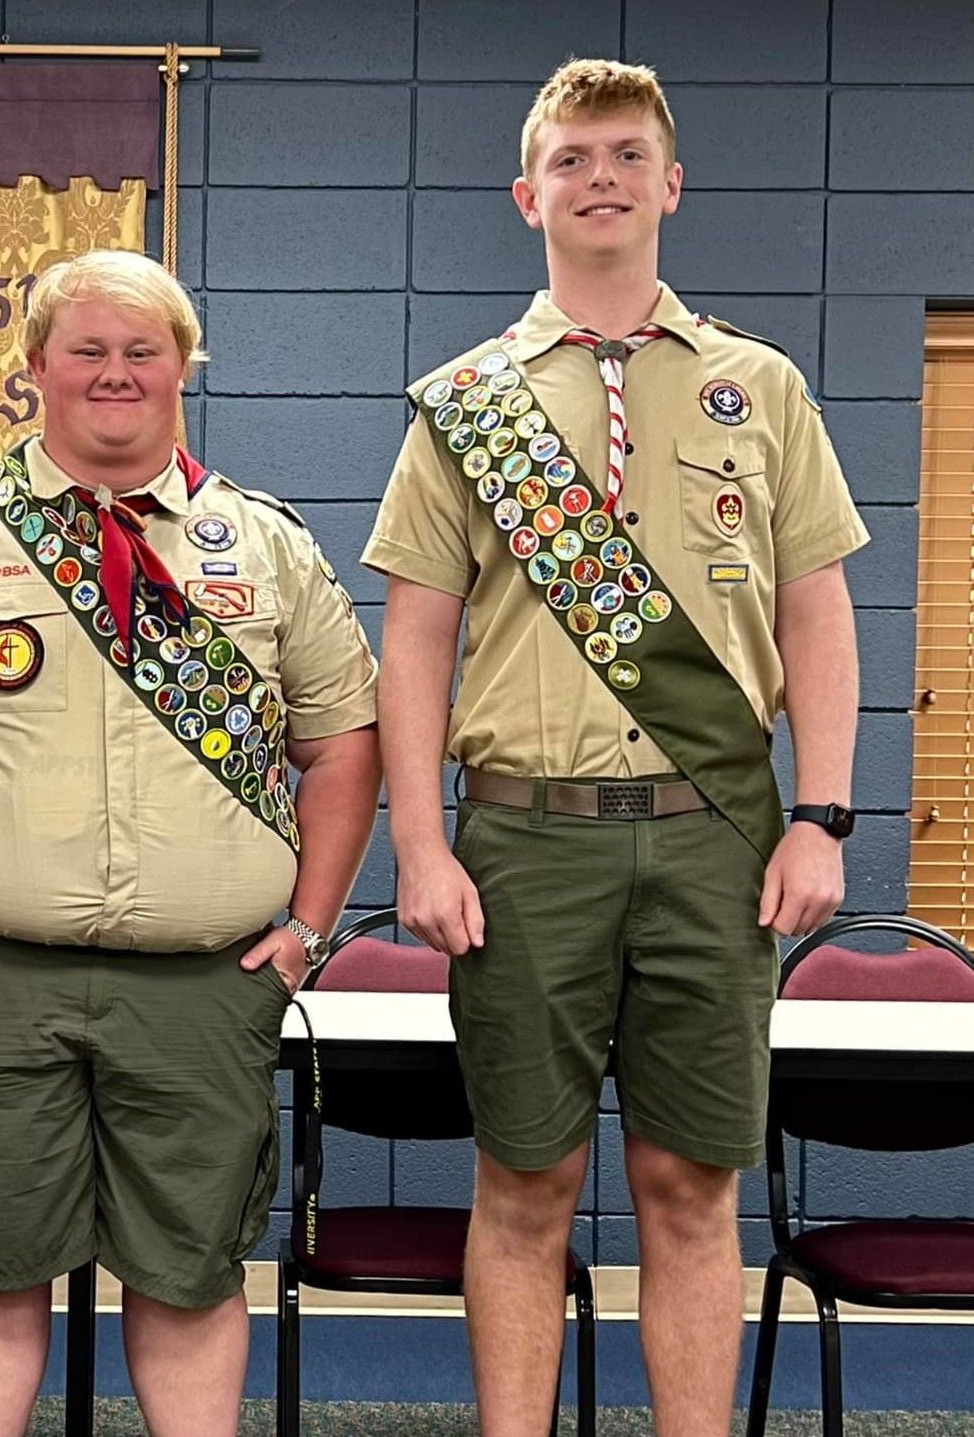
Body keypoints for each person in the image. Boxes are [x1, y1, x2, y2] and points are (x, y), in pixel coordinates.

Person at [366, 60, 866, 1435]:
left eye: (628, 153)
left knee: (693, 1189)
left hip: (718, 836)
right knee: (522, 1184)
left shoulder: (759, 387)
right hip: (524, 836)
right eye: (575, 156)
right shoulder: (467, 403)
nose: (602, 176)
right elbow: (412, 643)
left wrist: (821, 814)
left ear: (670, 184)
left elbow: (818, 616)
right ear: (529, 193)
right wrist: (418, 841)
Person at [0, 249, 380, 1437]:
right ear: (34, 370)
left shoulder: (264, 544)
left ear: (182, 367)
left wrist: (307, 925)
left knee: (188, 1272)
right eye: (86, 350)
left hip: (204, 984)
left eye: (142, 350)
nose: (114, 373)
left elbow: (341, 743)